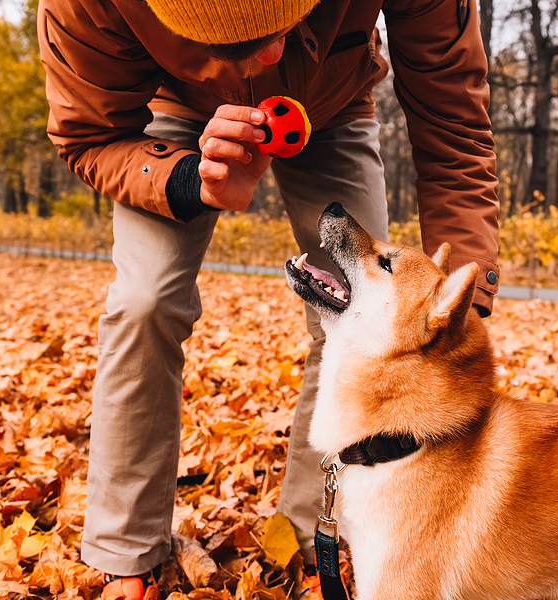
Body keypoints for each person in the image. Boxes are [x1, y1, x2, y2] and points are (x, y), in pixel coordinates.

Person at [37, 0, 500, 598]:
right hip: (172, 110)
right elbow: (89, 134)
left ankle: (316, 533)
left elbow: (454, 121)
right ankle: (126, 548)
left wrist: (459, 299)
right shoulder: (84, 6)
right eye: (235, 45)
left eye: (282, 27)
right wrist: (186, 179)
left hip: (331, 104)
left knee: (359, 316)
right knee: (144, 301)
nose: (270, 56)